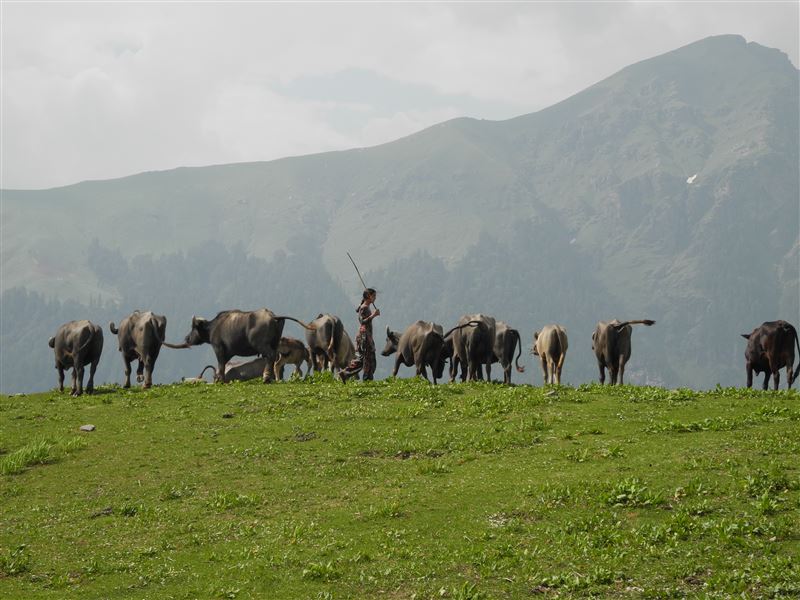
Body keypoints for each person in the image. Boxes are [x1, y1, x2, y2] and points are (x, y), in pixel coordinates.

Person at [339, 288, 380, 382]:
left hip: (366, 336)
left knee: (363, 358)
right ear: (369, 296)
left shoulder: (364, 306)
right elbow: (362, 321)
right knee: (367, 357)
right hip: (364, 336)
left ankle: (345, 373)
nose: (375, 298)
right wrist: (373, 315)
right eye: (374, 296)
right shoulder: (364, 307)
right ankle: (367, 378)